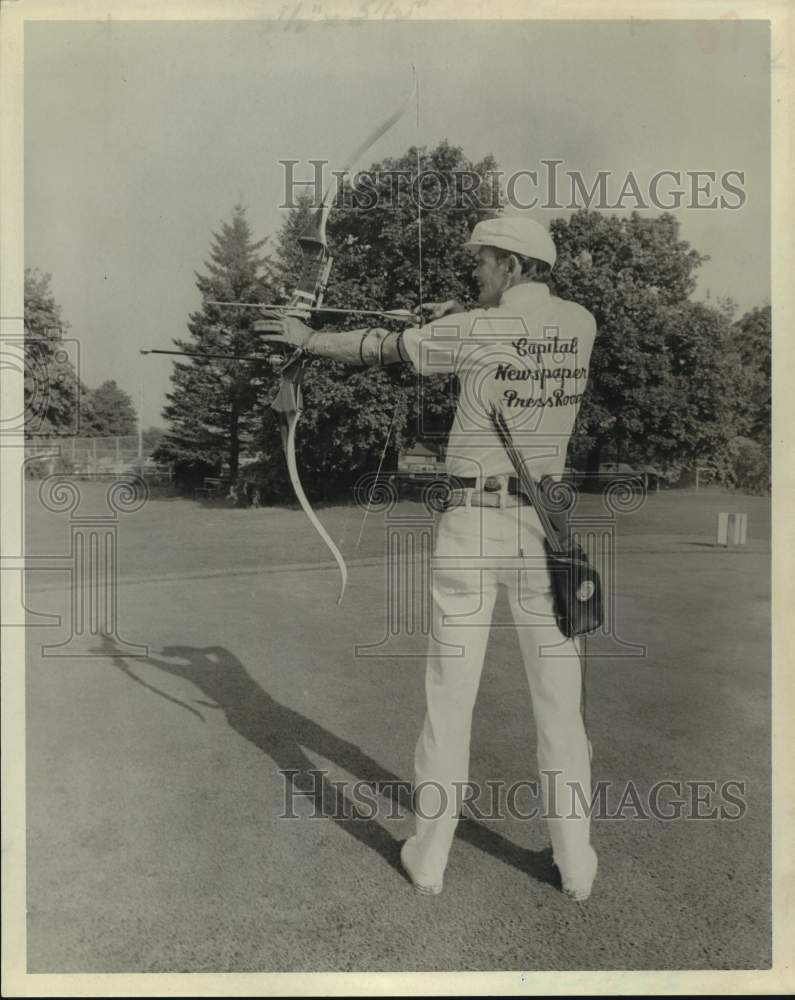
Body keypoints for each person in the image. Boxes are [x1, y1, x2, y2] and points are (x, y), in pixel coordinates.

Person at [266, 216, 599, 901]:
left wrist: (307, 340)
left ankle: (430, 859)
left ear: (508, 264)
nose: (471, 272)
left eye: (480, 262)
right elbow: (504, 334)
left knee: (450, 697)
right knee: (560, 707)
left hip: (474, 527)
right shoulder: (579, 323)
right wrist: (460, 313)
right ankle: (577, 867)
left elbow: (380, 348)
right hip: (545, 529)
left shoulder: (475, 330)